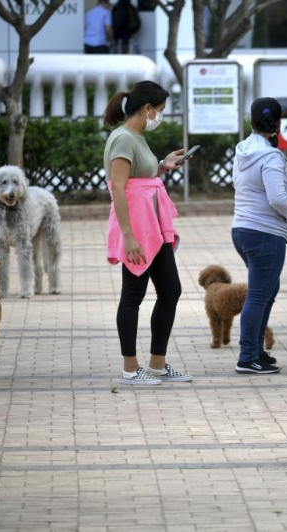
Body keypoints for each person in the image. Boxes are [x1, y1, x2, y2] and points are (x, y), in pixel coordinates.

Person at [103, 80, 192, 385]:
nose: (161, 117)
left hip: (153, 226)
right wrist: (128, 236)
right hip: (137, 229)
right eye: (161, 111)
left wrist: (163, 165)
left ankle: (157, 363)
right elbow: (118, 187)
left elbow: (142, 176)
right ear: (147, 108)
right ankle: (130, 368)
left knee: (171, 290)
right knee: (133, 294)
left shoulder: (137, 137)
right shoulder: (123, 139)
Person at [231, 97, 287, 374]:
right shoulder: (270, 156)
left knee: (267, 290)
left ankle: (257, 350)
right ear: (278, 123)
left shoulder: (244, 150)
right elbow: (277, 197)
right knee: (259, 295)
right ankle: (248, 357)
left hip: (242, 229)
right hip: (263, 234)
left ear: (251, 121)